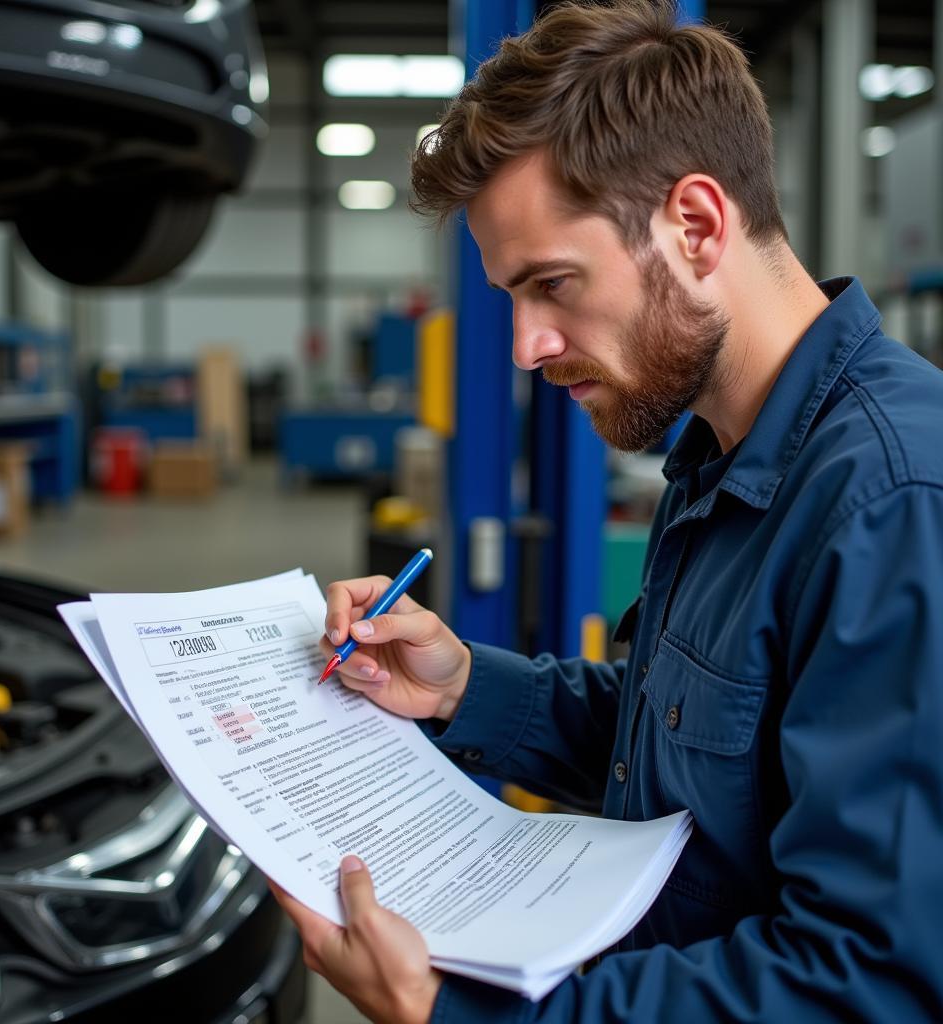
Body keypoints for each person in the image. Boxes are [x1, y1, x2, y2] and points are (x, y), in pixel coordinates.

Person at [269, 1, 943, 1020]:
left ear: (697, 224)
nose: (526, 345)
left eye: (553, 285)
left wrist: (455, 1011)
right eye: (511, 296)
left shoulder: (893, 503)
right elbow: (680, 742)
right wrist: (459, 690)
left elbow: (865, 981)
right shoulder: (720, 449)